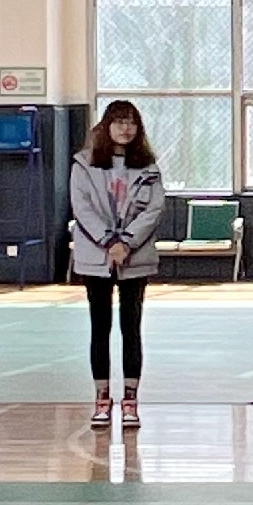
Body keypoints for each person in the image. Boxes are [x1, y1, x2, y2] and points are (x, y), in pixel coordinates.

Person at [69, 99, 163, 430]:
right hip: (97, 258)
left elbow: (154, 210)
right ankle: (102, 398)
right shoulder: (84, 164)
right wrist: (109, 241)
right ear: (106, 125)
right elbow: (81, 207)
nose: (126, 128)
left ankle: (131, 401)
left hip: (134, 259)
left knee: (131, 328)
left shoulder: (148, 167)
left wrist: (127, 242)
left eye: (132, 122)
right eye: (119, 121)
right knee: (100, 327)